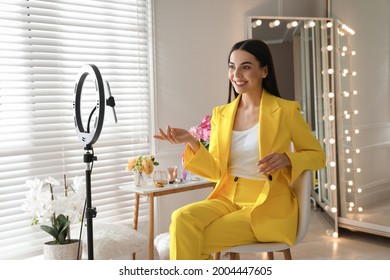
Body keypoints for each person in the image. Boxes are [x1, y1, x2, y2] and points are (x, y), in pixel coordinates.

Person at [153, 39, 326, 260]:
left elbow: (318, 156)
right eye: (232, 67)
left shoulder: (286, 111)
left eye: (246, 67)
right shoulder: (221, 114)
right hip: (227, 197)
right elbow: (215, 171)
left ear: (264, 71)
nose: (237, 74)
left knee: (196, 239)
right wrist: (191, 141)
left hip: (267, 203)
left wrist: (287, 159)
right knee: (181, 218)